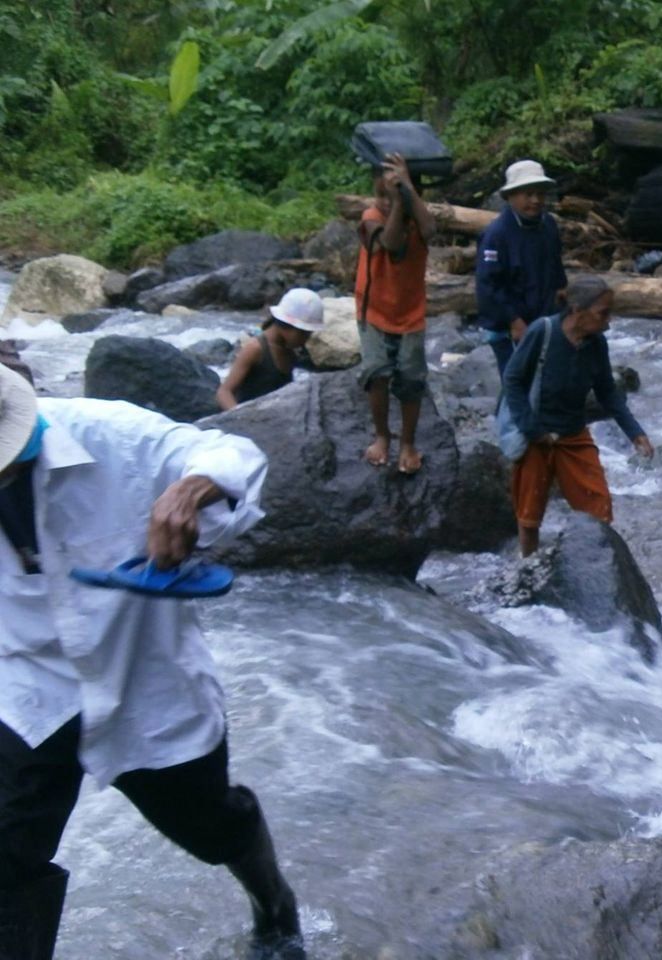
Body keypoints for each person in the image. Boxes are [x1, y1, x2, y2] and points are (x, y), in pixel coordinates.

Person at [0, 357, 304, 960]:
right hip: (29, 685)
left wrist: (193, 488)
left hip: (143, 676)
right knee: (4, 852)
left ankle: (275, 905)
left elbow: (235, 455)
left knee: (211, 826)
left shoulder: (108, 433)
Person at [503, 276, 653, 557]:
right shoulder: (542, 332)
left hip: (574, 435)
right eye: (603, 313)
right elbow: (512, 379)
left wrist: (635, 433)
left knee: (598, 509)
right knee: (529, 512)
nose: (609, 321)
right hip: (537, 435)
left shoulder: (596, 344)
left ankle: (594, 564)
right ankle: (527, 565)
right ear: (577, 310)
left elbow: (608, 392)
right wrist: (531, 428)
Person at [355, 152, 436, 475]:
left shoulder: (420, 219)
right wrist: (398, 201)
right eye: (381, 196)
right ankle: (382, 435)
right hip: (373, 308)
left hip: (410, 311)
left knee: (411, 378)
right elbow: (390, 242)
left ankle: (408, 441)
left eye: (393, 197)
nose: (386, 203)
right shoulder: (370, 216)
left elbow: (430, 230)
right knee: (378, 373)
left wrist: (406, 191)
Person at [475, 159, 568, 378]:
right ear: (510, 197)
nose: (535, 201)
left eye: (540, 194)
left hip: (541, 317)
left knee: (545, 382)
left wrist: (562, 287)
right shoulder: (496, 235)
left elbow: (555, 261)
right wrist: (514, 321)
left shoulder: (548, 224)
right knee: (516, 385)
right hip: (506, 325)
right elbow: (489, 285)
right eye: (528, 195)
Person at [216, 287, 325, 410]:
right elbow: (224, 392)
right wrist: (238, 416)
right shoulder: (255, 349)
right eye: (304, 333)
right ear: (286, 325)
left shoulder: (291, 351)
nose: (306, 339)